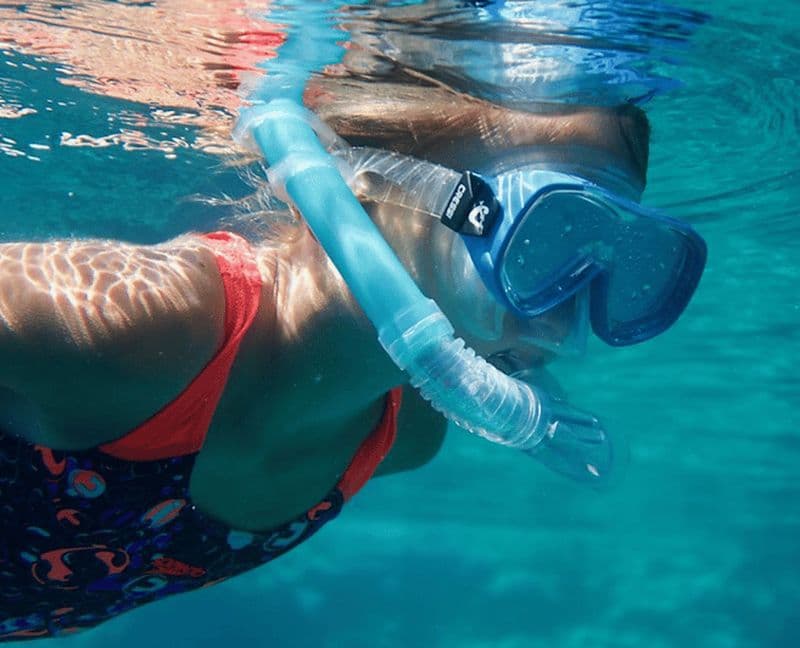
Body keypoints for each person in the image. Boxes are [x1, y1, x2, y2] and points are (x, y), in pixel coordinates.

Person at [0, 1, 708, 639]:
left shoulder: (405, 437)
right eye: (540, 243)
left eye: (618, 270)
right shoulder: (147, 328)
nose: (558, 324)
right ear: (370, 176)